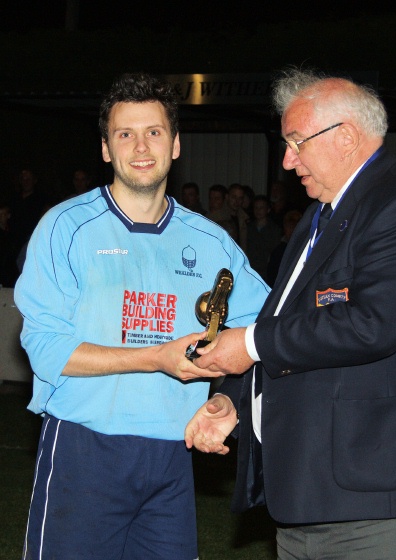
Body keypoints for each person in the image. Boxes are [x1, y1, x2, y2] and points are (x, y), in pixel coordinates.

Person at [185, 69, 396, 560]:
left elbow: (371, 325)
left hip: (384, 500)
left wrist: (248, 346)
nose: (286, 160)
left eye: (296, 142)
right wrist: (236, 400)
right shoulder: (320, 215)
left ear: (345, 137)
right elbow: (284, 322)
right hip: (313, 495)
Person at [14, 72, 269, 560]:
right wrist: (155, 357)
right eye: (124, 134)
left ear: (175, 144)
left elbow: (266, 332)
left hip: (173, 455)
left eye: (153, 131)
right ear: (106, 149)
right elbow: (46, 349)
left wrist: (229, 401)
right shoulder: (65, 228)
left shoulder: (212, 242)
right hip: (83, 451)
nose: (140, 146)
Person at [246, 194, 282, 281]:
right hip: (249, 269)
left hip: (266, 272)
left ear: (268, 209)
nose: (258, 211)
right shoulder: (248, 227)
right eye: (256, 208)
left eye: (261, 208)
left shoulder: (275, 229)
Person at [266, 208, 302, 287]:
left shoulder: (306, 249)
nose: (292, 230)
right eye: (289, 227)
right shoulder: (278, 251)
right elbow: (272, 276)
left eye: (295, 227)